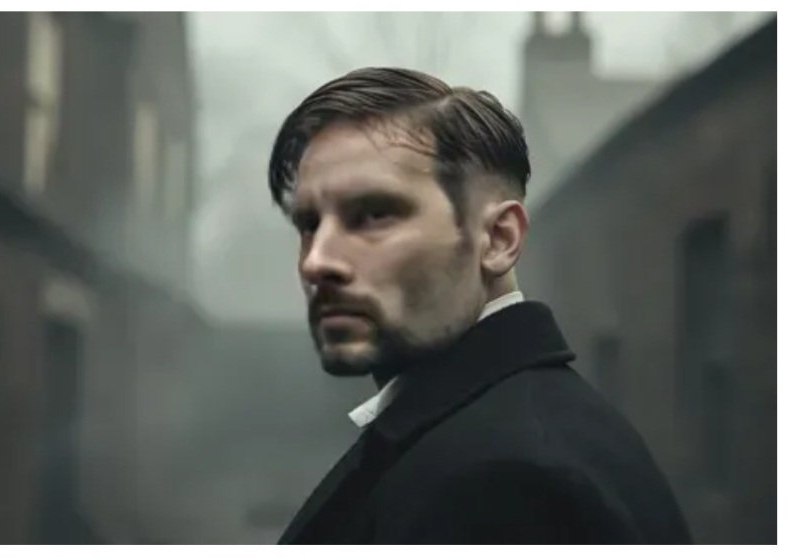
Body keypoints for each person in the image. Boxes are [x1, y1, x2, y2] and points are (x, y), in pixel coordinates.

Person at [267, 67, 692, 544]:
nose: (317, 261)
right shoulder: (509, 429)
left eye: (373, 214)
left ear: (498, 239)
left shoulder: (509, 480)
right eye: (309, 224)